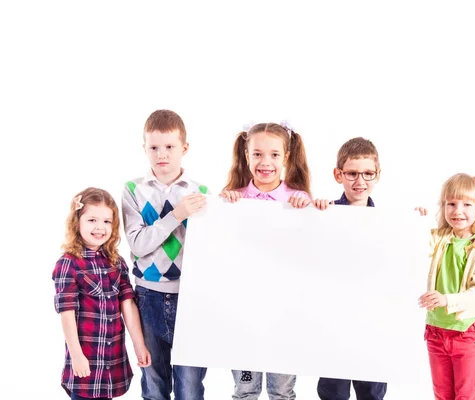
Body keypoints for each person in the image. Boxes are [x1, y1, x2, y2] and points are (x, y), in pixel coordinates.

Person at [121, 109, 209, 400]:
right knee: (155, 385)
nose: (162, 154)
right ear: (144, 148)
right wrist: (177, 215)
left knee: (190, 387)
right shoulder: (134, 189)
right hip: (149, 296)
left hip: (190, 298)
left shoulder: (201, 192)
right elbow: (138, 244)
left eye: (170, 147)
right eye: (154, 147)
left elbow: (208, 249)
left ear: (184, 148)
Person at [220, 121, 312, 400]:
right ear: (246, 156)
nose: (265, 162)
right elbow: (218, 251)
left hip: (285, 316)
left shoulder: (297, 200)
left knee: (282, 391)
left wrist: (309, 208)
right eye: (257, 154)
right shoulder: (232, 200)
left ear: (285, 157)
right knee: (245, 389)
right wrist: (222, 207)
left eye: (274, 155)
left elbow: (311, 254)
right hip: (243, 315)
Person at [52, 187, 151, 400]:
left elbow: (128, 304)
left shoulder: (117, 262)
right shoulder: (68, 264)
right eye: (92, 220)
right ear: (77, 222)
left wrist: (139, 344)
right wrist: (77, 356)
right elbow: (66, 314)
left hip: (112, 360)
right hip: (86, 359)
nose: (100, 227)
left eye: (107, 221)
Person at [313, 137, 387, 400]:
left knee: (372, 391)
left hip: (371, 320)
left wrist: (417, 220)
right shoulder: (325, 214)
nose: (360, 181)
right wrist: (315, 215)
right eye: (353, 173)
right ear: (338, 175)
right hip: (333, 320)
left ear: (378, 175)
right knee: (333, 391)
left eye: (368, 174)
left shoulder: (387, 223)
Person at [418, 173, 475, 400]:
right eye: (451, 203)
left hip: (466, 332)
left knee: (466, 395)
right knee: (442, 394)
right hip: (435, 330)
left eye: (466, 204)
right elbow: (415, 243)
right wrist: (418, 220)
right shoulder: (439, 238)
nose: (457, 211)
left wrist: (446, 299)